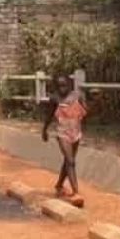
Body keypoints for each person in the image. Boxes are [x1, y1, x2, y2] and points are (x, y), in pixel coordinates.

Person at [43, 75, 87, 207]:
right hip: (62, 132)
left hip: (76, 131)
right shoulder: (54, 98)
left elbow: (86, 111)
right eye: (59, 86)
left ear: (70, 85)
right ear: (56, 87)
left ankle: (59, 186)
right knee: (70, 160)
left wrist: (96, 101)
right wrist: (44, 130)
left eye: (65, 85)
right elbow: (49, 115)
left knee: (68, 161)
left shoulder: (78, 96)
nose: (62, 89)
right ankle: (76, 192)